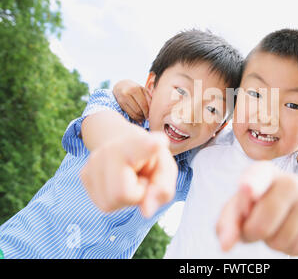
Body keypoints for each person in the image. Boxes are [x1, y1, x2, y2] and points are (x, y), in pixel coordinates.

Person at [0, 30, 243, 258]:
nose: (190, 114)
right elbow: (99, 127)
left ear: (219, 128)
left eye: (212, 108)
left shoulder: (190, 171)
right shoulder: (114, 108)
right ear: (151, 86)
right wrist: (124, 145)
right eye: (181, 90)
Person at [115, 29, 298, 258]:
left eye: (292, 105)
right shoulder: (209, 142)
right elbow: (169, 127)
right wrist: (126, 89)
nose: (266, 115)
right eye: (256, 94)